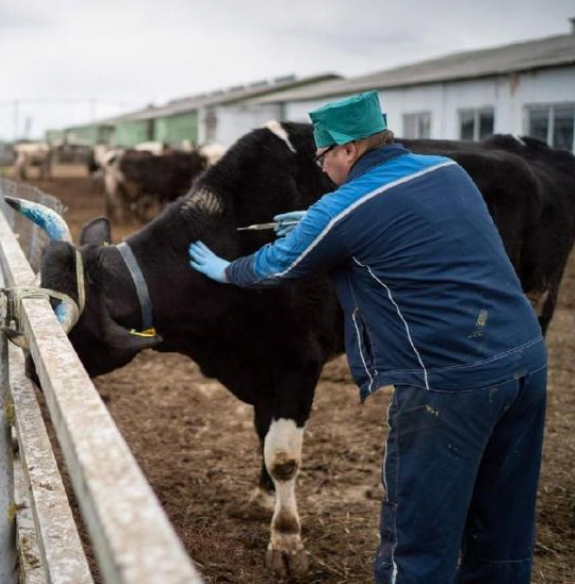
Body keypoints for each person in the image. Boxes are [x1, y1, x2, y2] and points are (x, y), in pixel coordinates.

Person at [189, 91, 547, 583]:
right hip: (526, 360)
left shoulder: (345, 203)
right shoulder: (445, 171)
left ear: (348, 150)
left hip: (448, 380)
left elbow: (275, 266)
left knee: (416, 542)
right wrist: (318, 222)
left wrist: (226, 269)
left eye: (322, 156)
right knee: (501, 527)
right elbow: (407, 225)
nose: (321, 167)